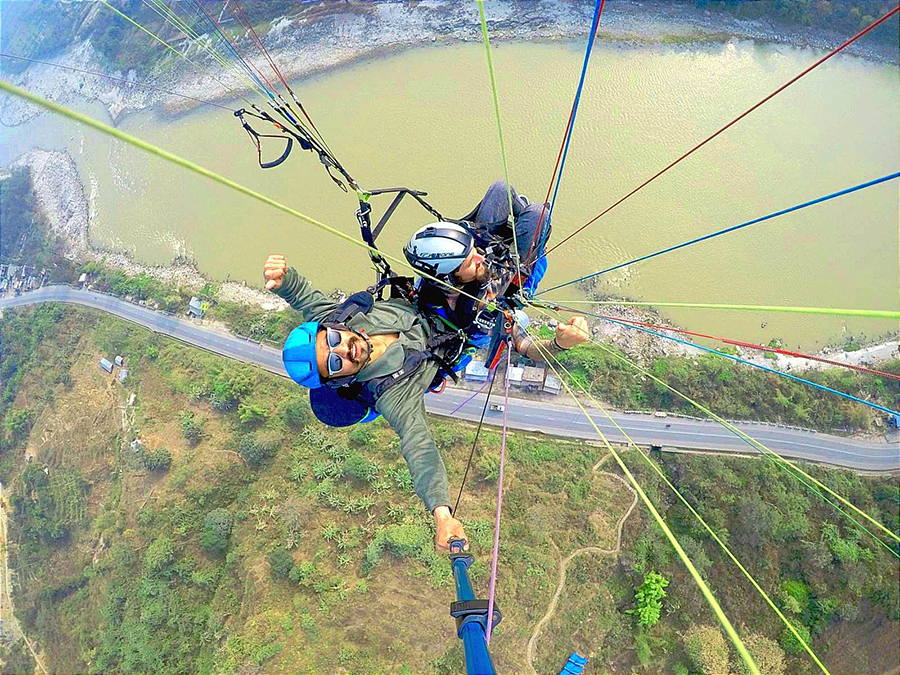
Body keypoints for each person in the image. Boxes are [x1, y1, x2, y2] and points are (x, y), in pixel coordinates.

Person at [263, 254, 588, 553]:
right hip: (460, 327)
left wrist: (283, 278)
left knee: (487, 208)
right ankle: (532, 277)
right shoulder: (391, 393)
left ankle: (504, 239)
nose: (344, 351)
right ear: (339, 380)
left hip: (427, 297)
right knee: (520, 269)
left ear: (332, 329)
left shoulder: (341, 318)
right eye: (334, 364)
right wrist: (442, 515)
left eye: (333, 341)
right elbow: (420, 449)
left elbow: (305, 299)